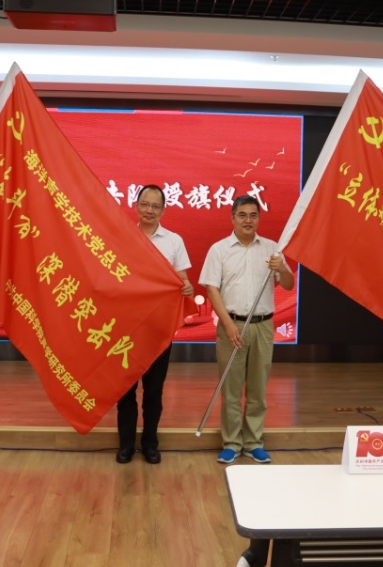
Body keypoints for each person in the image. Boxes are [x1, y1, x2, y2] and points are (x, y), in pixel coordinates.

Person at [199, 195, 294, 464]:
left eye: (253, 215)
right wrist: (228, 325)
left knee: (258, 389)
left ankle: (253, 442)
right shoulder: (219, 249)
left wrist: (282, 268)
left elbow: (288, 284)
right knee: (231, 388)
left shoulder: (272, 249)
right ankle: (231, 443)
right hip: (232, 326)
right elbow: (212, 289)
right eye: (242, 215)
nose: (248, 220)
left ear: (258, 219)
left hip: (263, 326)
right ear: (233, 218)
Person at [116, 185, 194, 465]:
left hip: (158, 329)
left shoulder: (173, 241)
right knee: (125, 390)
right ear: (136, 206)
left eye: (155, 206)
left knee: (153, 391)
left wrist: (186, 287)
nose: (149, 210)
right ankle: (126, 444)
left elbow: (182, 279)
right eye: (145, 204)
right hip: (126, 327)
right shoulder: (122, 237)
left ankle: (150, 443)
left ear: (163, 210)